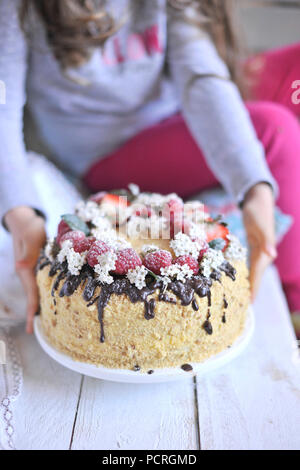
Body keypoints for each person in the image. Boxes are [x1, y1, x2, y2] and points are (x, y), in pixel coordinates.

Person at [0, 0, 299, 335]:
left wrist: (254, 186)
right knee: (276, 129)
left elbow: (202, 80)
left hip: (176, 122)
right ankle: (294, 304)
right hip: (107, 158)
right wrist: (23, 216)